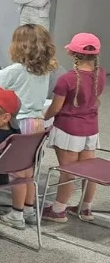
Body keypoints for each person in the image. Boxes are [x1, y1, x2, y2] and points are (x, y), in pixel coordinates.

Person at [40, 32, 105, 223]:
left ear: (71, 53)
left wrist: (42, 117)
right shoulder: (100, 74)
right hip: (91, 129)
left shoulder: (66, 79)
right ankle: (85, 208)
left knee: (68, 171)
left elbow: (55, 108)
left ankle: (58, 210)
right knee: (88, 170)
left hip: (68, 130)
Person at [0, 24, 57, 138]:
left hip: (20, 121)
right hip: (38, 121)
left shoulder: (17, 69)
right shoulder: (45, 69)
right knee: (30, 149)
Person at [0, 87, 39, 229]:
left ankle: (16, 215)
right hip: (16, 172)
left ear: (5, 118)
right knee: (26, 170)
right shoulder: (16, 131)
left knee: (18, 173)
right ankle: (28, 210)